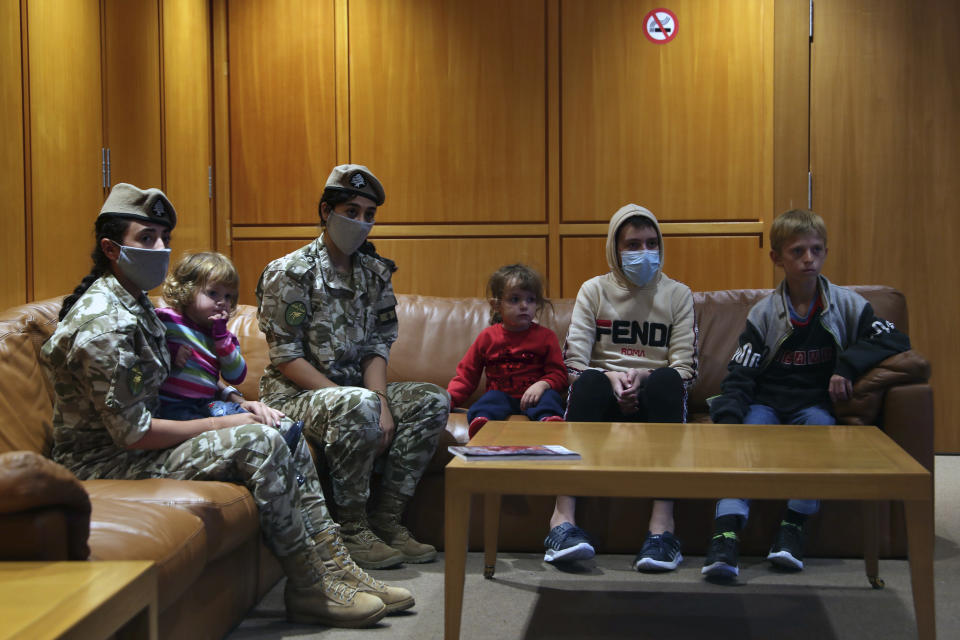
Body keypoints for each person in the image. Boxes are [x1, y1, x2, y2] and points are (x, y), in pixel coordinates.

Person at [41, 182, 413, 628]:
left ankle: (335, 566)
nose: (160, 249)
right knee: (258, 443)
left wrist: (239, 400)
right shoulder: (107, 323)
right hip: (105, 460)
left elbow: (187, 380)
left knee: (283, 431)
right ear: (111, 247)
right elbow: (133, 433)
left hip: (139, 442)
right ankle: (310, 587)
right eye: (146, 239)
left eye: (165, 238)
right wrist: (230, 423)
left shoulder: (139, 304)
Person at [256, 165, 449, 571]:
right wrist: (353, 400)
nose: (361, 222)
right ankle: (351, 530)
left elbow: (377, 345)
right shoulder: (289, 272)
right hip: (296, 397)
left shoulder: (374, 272)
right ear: (326, 211)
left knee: (431, 400)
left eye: (369, 214)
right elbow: (286, 356)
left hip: (352, 393)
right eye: (351, 211)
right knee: (355, 404)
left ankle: (387, 520)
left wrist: (379, 401)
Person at [702, 208, 911, 580]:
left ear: (826, 252)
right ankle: (726, 534)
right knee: (743, 449)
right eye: (797, 251)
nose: (808, 259)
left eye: (816, 250)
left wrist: (846, 366)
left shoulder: (846, 304)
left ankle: (792, 529)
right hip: (766, 403)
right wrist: (731, 422)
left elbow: (894, 338)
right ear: (777, 258)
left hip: (812, 405)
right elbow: (741, 373)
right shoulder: (764, 313)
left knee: (821, 439)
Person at [547, 204, 697, 571]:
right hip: (602, 393)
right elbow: (574, 363)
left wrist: (642, 378)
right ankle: (561, 523)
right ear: (615, 248)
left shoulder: (678, 294)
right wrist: (610, 377)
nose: (643, 253)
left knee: (666, 381)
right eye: (632, 245)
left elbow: (686, 368)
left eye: (651, 243)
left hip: (654, 395)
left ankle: (662, 531)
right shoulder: (593, 290)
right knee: (589, 384)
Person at [154, 252, 301, 450]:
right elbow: (148, 346)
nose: (222, 301)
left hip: (206, 404)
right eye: (213, 293)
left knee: (239, 414)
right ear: (186, 291)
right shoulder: (167, 319)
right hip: (173, 407)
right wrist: (170, 350)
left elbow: (236, 375)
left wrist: (222, 339)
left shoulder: (224, 337)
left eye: (228, 296)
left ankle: (282, 438)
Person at [447, 264, 566, 437]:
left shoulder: (546, 337)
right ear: (496, 304)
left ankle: (549, 423)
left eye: (531, 300)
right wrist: (448, 400)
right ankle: (482, 426)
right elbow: (467, 376)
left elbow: (559, 373)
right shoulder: (487, 337)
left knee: (550, 399)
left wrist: (543, 384)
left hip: (535, 397)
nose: (524, 305)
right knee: (488, 401)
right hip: (501, 397)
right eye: (515, 299)